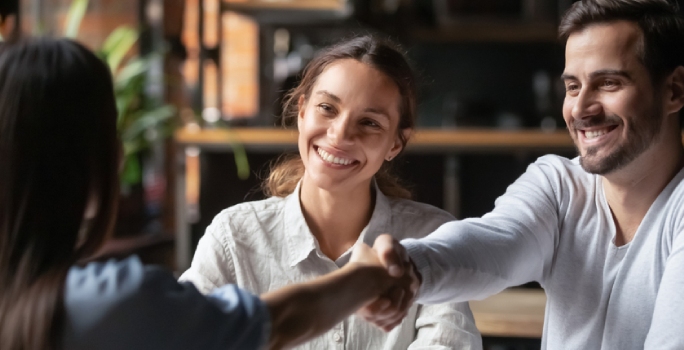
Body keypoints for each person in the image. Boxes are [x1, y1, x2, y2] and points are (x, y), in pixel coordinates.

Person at [361, 0, 684, 349]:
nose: (580, 109)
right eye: (573, 86)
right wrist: (410, 268)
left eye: (609, 83)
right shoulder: (559, 183)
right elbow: (492, 244)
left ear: (674, 90)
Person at [0, 37, 409, 350]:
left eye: (370, 122)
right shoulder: (112, 299)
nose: (341, 133)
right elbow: (272, 323)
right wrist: (365, 278)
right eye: (112, 131)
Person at [179, 35, 482, 349]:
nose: (340, 135)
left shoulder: (432, 237)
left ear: (395, 142)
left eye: (369, 122)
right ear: (302, 112)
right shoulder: (234, 237)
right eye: (327, 108)